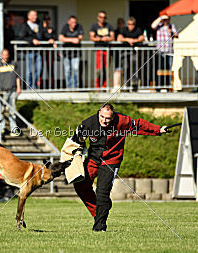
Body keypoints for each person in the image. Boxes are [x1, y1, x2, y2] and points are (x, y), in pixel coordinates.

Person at [69, 103, 168, 231]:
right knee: (80, 184)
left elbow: (139, 125)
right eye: (102, 117)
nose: (104, 121)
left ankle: (100, 226)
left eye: (108, 118)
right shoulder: (88, 123)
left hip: (111, 161)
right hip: (93, 159)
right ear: (98, 114)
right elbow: (74, 142)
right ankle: (100, 210)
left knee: (102, 192)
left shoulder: (123, 121)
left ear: (113, 116)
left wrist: (158, 129)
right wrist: (71, 160)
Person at [0, 49, 21, 136]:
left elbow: (17, 77)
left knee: (12, 110)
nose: (5, 57)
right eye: (3, 55)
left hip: (12, 91)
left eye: (6, 55)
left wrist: (19, 88)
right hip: (2, 92)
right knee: (1, 111)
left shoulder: (13, 64)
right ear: (1, 55)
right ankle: (1, 128)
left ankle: (14, 129)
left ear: (8, 55)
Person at [115, 17, 144, 89]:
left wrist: (134, 40)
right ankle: (126, 83)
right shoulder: (124, 29)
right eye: (129, 24)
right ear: (127, 24)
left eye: (132, 24)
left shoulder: (137, 30)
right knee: (125, 66)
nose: (131, 26)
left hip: (133, 52)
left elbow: (142, 37)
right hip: (124, 52)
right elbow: (119, 38)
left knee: (134, 62)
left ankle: (134, 81)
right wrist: (127, 39)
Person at [18, 10, 42, 89]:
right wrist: (32, 40)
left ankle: (34, 87)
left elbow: (42, 35)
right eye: (33, 15)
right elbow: (21, 36)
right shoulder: (24, 26)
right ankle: (29, 87)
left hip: (38, 51)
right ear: (29, 16)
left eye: (36, 15)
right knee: (29, 70)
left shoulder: (38, 25)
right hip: (29, 51)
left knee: (38, 69)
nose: (35, 17)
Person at [90, 11, 115, 88]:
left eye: (104, 17)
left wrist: (106, 39)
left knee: (106, 69)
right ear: (98, 17)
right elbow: (92, 37)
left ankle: (105, 86)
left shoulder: (109, 26)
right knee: (98, 69)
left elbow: (113, 37)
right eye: (101, 17)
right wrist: (101, 39)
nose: (102, 19)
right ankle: (97, 86)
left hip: (107, 50)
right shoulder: (94, 26)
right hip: (98, 50)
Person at [59, 15, 84, 89]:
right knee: (67, 70)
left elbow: (80, 38)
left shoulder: (79, 27)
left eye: (75, 22)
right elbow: (60, 38)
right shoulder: (65, 27)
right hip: (66, 53)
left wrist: (67, 39)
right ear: (69, 22)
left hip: (76, 54)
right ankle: (69, 87)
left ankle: (75, 86)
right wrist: (72, 40)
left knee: (75, 69)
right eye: (72, 22)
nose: (74, 24)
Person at [41, 14, 57, 88]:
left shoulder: (52, 29)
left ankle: (52, 85)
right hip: (42, 51)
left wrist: (53, 40)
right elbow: (40, 37)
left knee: (50, 67)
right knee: (41, 68)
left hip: (50, 51)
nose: (47, 21)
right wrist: (48, 40)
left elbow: (55, 38)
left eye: (48, 19)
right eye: (45, 19)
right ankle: (40, 84)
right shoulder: (41, 28)